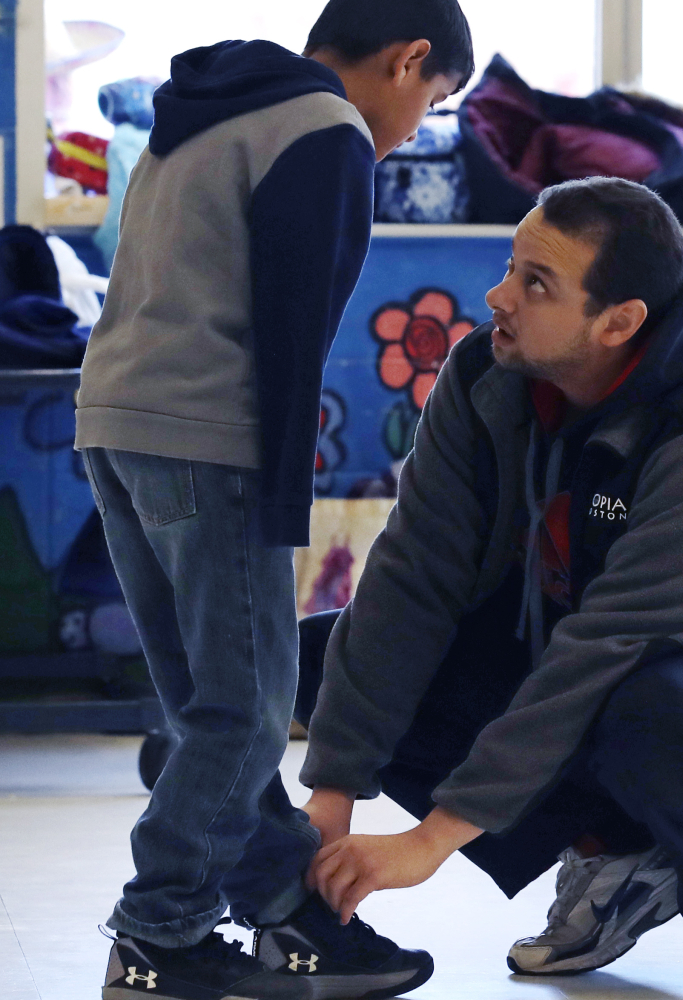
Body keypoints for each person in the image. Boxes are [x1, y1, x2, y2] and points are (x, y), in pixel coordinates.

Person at [294, 177, 683, 993]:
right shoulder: (485, 376)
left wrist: (429, 841)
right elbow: (410, 580)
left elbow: (608, 648)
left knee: (659, 706)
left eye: (536, 283)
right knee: (326, 652)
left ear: (618, 322)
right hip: (583, 654)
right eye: (510, 266)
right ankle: (615, 858)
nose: (497, 296)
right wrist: (333, 794)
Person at [75, 3, 473, 999]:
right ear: (407, 59)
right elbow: (295, 328)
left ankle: (290, 914)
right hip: (211, 437)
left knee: (202, 702)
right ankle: (159, 930)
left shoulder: (207, 108)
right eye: (430, 101)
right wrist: (282, 502)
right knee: (246, 715)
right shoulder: (324, 128)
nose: (416, 127)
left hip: (116, 420)